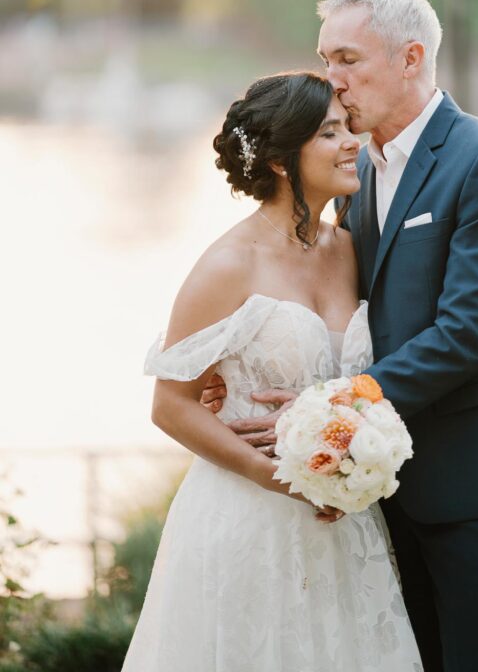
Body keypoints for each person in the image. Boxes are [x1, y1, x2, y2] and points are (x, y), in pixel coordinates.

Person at [204, 0, 478, 672]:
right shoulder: (355, 171)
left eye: (346, 59)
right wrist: (242, 371)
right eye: (324, 58)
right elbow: (335, 309)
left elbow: (469, 333)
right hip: (375, 477)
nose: (330, 83)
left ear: (410, 57)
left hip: (474, 472)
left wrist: (324, 408)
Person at [121, 71, 424, 672]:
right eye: (330, 133)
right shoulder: (229, 264)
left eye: (347, 129)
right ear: (284, 161)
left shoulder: (349, 248)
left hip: (343, 523)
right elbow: (171, 404)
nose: (351, 144)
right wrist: (274, 476)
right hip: (249, 518)